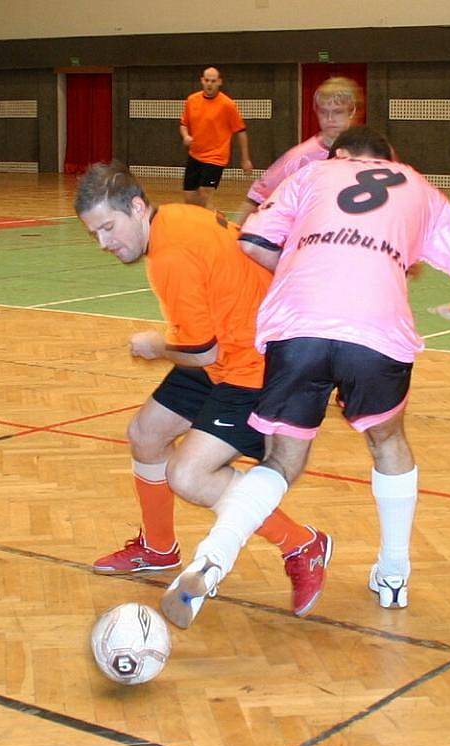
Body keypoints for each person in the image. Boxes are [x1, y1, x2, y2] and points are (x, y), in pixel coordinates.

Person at [160, 126, 450, 628]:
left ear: (342, 154)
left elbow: (252, 242)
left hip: (298, 327)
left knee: (281, 461)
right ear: (390, 160)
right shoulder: (419, 186)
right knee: (388, 443)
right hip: (375, 330)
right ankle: (394, 573)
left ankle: (210, 560)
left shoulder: (313, 171)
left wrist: (302, 262)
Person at [74, 160, 332, 620]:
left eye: (109, 228)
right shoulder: (175, 217)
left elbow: (200, 354)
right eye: (94, 234)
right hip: (232, 342)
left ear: (136, 207)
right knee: (146, 434)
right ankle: (158, 548)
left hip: (256, 366)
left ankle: (303, 545)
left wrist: (155, 345)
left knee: (189, 476)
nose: (103, 243)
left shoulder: (170, 255)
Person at [236, 77, 361, 223]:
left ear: (352, 112)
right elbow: (255, 198)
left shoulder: (371, 152)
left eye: (338, 112)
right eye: (323, 112)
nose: (329, 118)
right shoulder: (299, 158)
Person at [180, 66, 253, 209]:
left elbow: (241, 131)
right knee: (190, 198)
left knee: (204, 194)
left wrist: (245, 159)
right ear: (202, 81)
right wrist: (186, 135)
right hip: (195, 155)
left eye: (213, 81)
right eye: (207, 80)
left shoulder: (227, 105)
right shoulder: (192, 100)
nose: (209, 84)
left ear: (219, 82)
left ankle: (213, 227)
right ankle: (205, 222)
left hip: (216, 157)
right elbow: (183, 124)